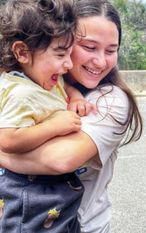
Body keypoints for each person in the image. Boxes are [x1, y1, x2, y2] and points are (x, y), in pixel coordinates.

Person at [0, 0, 143, 232]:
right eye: (88, 47)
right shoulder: (26, 86)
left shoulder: (111, 100)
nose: (100, 61)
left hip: (82, 224)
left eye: (111, 50)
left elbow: (60, 159)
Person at [0, 0, 88, 232]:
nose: (68, 64)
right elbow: (8, 140)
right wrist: (54, 126)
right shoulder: (21, 93)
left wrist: (77, 97)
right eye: (60, 54)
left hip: (55, 190)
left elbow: (64, 87)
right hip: (27, 192)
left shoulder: (44, 77)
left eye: (69, 54)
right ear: (22, 52)